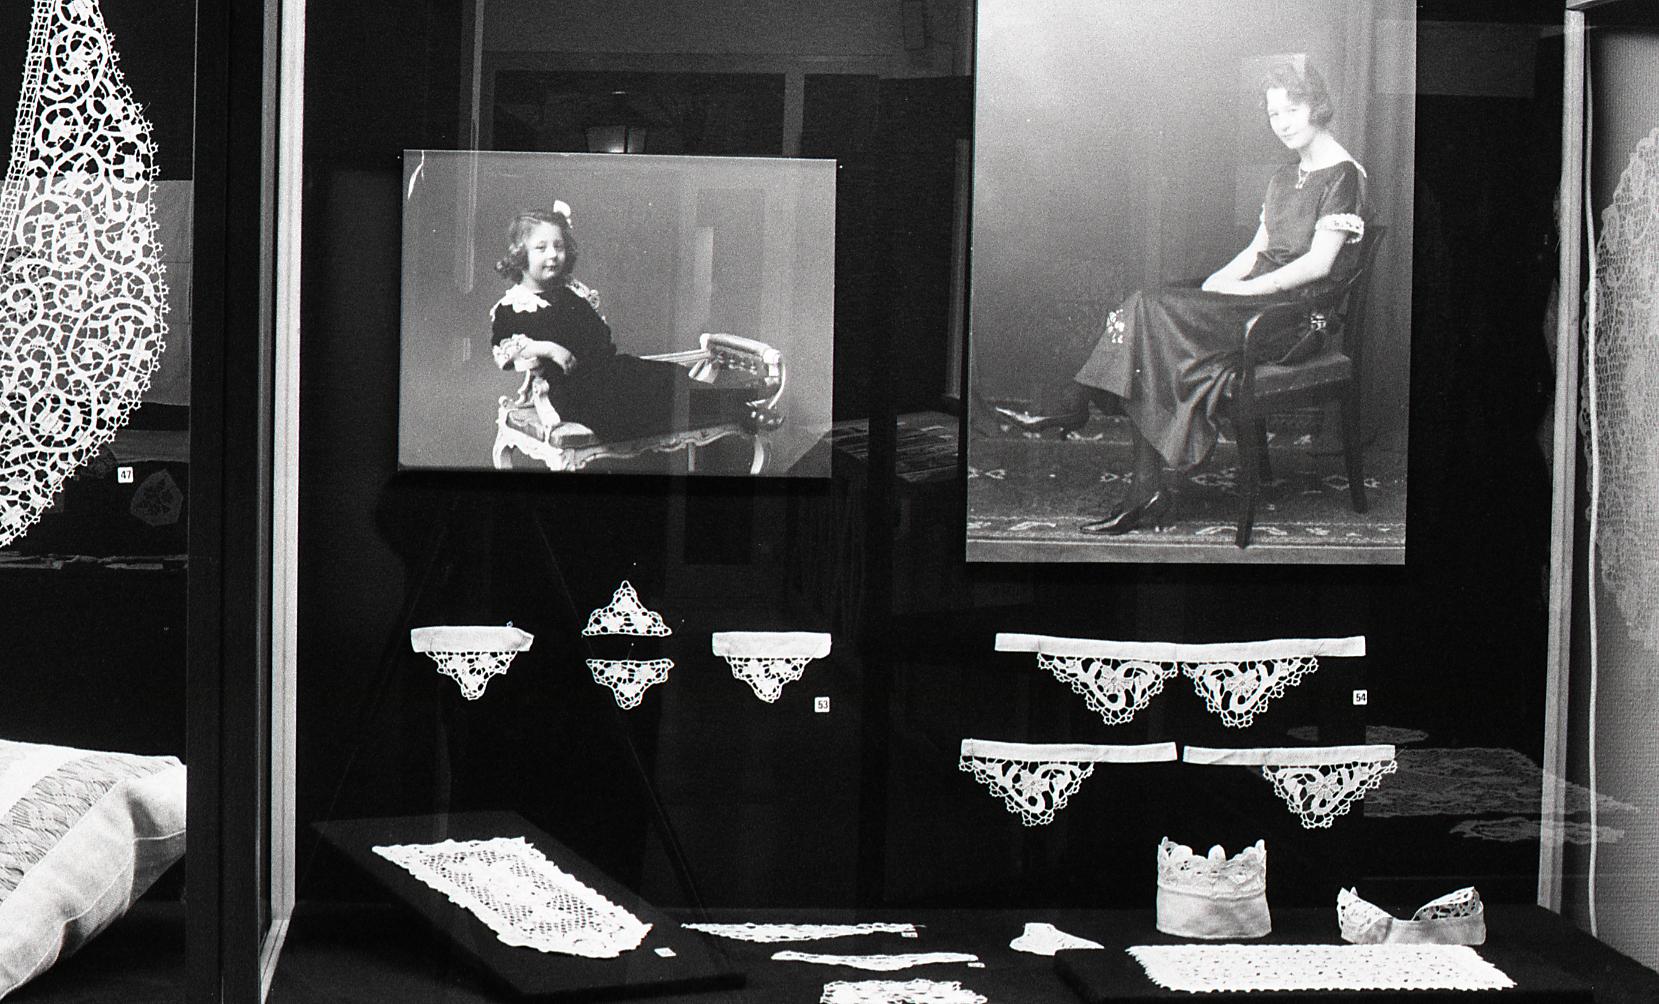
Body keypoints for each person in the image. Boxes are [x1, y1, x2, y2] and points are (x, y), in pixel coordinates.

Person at [997, 58, 1368, 535]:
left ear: (1317, 107)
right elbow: (1257, 250)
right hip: (1248, 306)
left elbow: (1319, 265)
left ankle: (1076, 406)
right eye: (1274, 114)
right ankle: (1141, 488)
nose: (1282, 124)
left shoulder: (1343, 176)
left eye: (1291, 111)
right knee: (1148, 326)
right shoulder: (1283, 177)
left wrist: (1242, 289)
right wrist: (1216, 283)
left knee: (1146, 310)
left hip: (1291, 322)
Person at [489, 203, 758, 444]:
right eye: (541, 248)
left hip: (610, 371)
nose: (553, 255)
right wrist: (548, 348)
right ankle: (740, 406)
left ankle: (743, 400)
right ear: (520, 254)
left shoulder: (571, 292)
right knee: (629, 409)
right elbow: (504, 350)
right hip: (574, 392)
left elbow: (601, 336)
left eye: (558, 246)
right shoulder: (513, 306)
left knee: (668, 377)